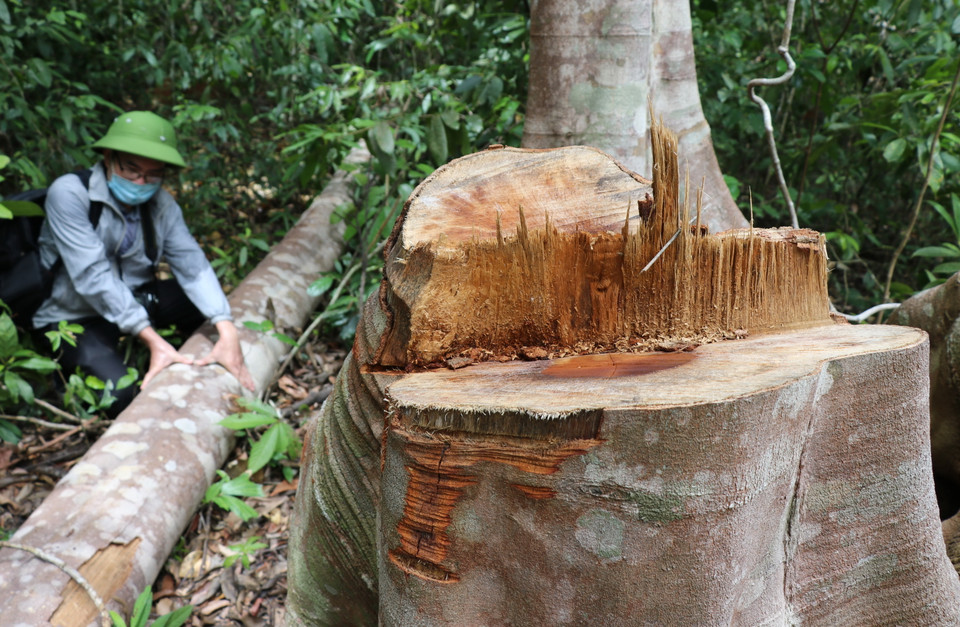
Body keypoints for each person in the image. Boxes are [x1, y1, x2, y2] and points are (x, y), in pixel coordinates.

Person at [32, 111, 255, 415]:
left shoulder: (161, 204)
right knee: (120, 393)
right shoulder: (70, 194)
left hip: (135, 299)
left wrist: (226, 327)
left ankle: (198, 355)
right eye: (131, 169)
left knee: (201, 305)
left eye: (153, 175)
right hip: (73, 315)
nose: (141, 181)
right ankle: (137, 353)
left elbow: (191, 263)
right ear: (109, 157)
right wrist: (150, 337)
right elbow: (92, 276)